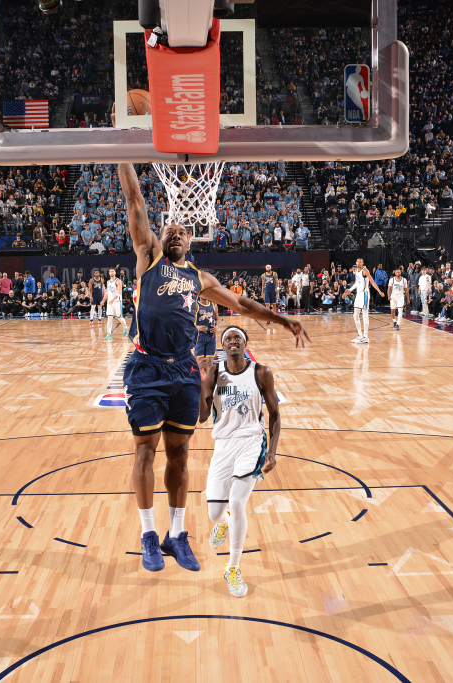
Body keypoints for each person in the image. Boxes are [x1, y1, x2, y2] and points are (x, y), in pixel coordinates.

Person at [117, 162, 309, 573]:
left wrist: (282, 320)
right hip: (147, 366)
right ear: (159, 235)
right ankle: (149, 534)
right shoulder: (149, 256)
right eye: (169, 229)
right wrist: (123, 150)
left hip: (184, 370)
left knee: (180, 454)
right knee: (146, 451)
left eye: (182, 231)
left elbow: (242, 304)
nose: (175, 233)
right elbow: (134, 199)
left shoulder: (199, 278)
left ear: (191, 240)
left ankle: (176, 534)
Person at [199, 326, 279, 597]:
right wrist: (202, 383)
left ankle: (232, 568)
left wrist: (272, 451)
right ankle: (223, 523)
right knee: (214, 513)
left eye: (237, 338)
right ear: (222, 346)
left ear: (245, 343)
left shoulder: (261, 372)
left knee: (236, 503)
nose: (233, 341)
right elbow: (201, 417)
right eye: (228, 339)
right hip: (223, 445)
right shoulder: (215, 373)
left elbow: (275, 414)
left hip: (251, 443)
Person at [349, 258, 383, 343]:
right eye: (357, 261)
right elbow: (357, 283)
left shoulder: (365, 271)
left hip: (365, 294)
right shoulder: (356, 270)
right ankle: (360, 335)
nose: (358, 263)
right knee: (355, 315)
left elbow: (372, 281)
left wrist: (379, 291)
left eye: (360, 262)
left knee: (365, 314)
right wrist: (349, 290)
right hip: (358, 294)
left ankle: (366, 337)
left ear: (363, 263)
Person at [194, 295, 217, 380]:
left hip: (211, 337)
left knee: (209, 366)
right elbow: (189, 322)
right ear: (199, 294)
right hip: (199, 337)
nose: (205, 295)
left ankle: (209, 385)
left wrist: (217, 327)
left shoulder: (214, 305)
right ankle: (202, 385)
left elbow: (217, 320)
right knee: (201, 366)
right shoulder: (196, 305)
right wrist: (198, 327)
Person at [104, 267, 128, 340]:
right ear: (109, 273)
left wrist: (113, 299)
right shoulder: (108, 282)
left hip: (117, 302)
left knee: (119, 317)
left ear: (115, 273)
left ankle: (125, 327)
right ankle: (109, 334)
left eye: (113, 271)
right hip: (110, 302)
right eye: (110, 271)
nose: (111, 272)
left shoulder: (118, 281)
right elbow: (107, 292)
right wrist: (103, 300)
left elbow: (119, 292)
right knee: (109, 317)